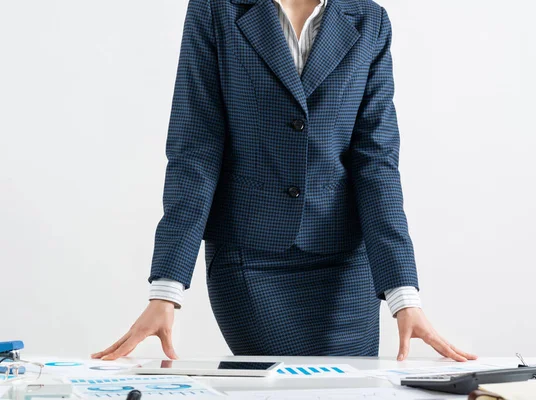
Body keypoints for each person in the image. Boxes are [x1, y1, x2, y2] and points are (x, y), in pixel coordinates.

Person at [92, 0, 477, 362]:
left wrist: (403, 295)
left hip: (344, 264)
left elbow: (375, 162)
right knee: (284, 387)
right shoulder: (216, 10)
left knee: (347, 390)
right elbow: (195, 150)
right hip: (250, 259)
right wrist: (166, 289)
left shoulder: (369, 19)